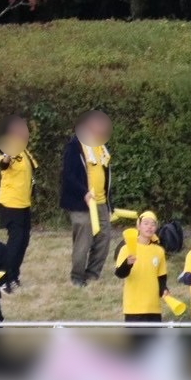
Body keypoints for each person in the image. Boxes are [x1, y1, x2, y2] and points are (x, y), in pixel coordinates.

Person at [61, 110, 113, 288]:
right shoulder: (75, 146)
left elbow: (106, 176)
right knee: (83, 240)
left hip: (101, 202)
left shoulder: (102, 147)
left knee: (104, 237)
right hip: (81, 203)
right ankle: (77, 276)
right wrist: (83, 192)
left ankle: (93, 273)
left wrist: (108, 202)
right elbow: (68, 175)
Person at [0, 114, 35, 294]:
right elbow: (3, 164)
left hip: (24, 203)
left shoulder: (24, 150)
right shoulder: (6, 149)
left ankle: (14, 275)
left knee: (23, 241)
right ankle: (4, 279)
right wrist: (7, 157)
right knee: (15, 241)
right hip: (10, 204)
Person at [114, 212, 171, 323]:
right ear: (138, 226)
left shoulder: (159, 251)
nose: (149, 227)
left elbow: (161, 277)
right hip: (134, 308)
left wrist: (164, 290)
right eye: (146, 223)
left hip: (154, 308)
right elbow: (119, 274)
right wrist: (128, 263)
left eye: (153, 224)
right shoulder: (126, 248)